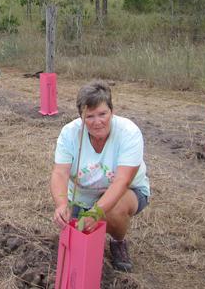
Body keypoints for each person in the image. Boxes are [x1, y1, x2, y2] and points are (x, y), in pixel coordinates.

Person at [50, 81, 150, 272]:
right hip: (82, 195)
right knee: (76, 228)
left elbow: (123, 180)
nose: (97, 122)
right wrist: (62, 204)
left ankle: (118, 241)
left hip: (127, 191)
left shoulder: (129, 132)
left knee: (112, 210)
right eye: (90, 116)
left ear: (112, 111)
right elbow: (60, 172)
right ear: (81, 117)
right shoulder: (69, 134)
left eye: (102, 114)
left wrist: (96, 212)